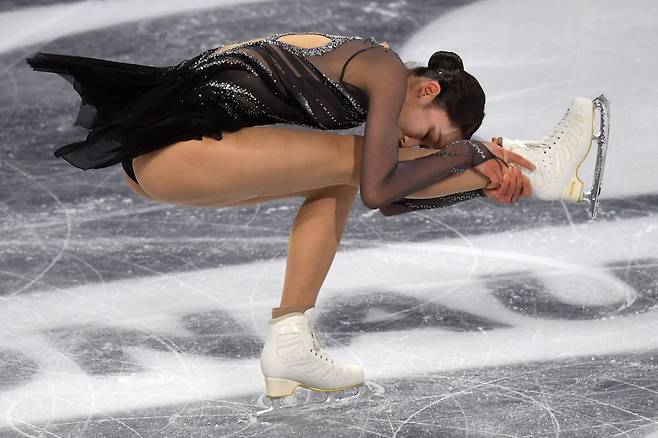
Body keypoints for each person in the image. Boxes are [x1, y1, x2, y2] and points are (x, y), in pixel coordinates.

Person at [25, 32, 593, 412]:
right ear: (428, 89)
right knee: (360, 170)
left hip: (167, 159)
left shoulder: (378, 75)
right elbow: (381, 188)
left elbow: (391, 200)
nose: (410, 141)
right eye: (426, 133)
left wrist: (472, 175)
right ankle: (537, 165)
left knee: (337, 181)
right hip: (181, 150)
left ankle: (289, 341)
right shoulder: (387, 72)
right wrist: (472, 158)